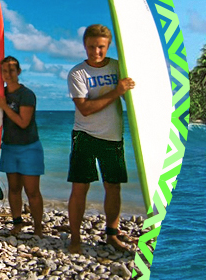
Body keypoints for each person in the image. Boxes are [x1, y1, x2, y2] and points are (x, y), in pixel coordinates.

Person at [65, 24, 134, 253]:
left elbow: (134, 99)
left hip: (113, 136)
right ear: (85, 45)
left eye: (101, 47)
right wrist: (116, 91)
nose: (96, 52)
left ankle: (112, 235)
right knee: (80, 187)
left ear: (109, 45)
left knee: (113, 187)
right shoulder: (77, 73)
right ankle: (75, 238)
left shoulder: (118, 67)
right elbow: (84, 108)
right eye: (92, 47)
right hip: (85, 135)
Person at [0, 56, 46, 236]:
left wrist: (4, 106)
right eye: (4, 71)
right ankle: (17, 223)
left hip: (29, 147)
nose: (8, 74)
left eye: (11, 70)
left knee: (32, 191)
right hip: (9, 147)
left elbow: (23, 122)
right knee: (14, 189)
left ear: (19, 72)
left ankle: (38, 227)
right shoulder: (2, 93)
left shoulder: (27, 94)